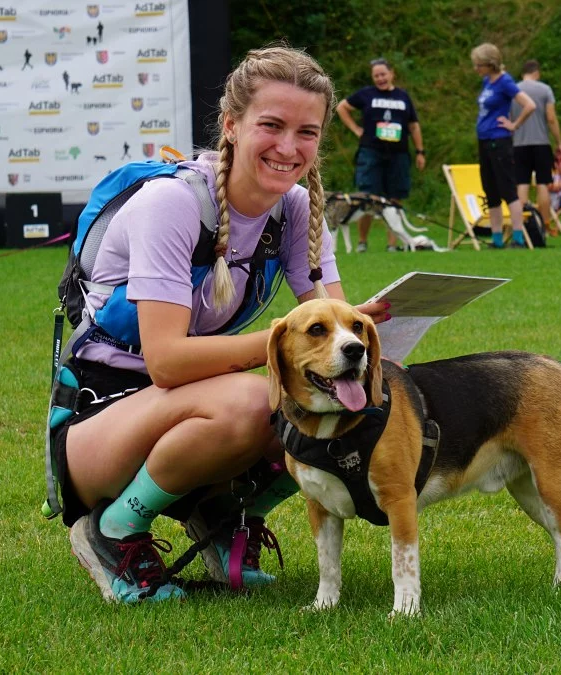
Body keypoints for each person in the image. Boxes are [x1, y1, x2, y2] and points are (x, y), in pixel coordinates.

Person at [56, 44, 389, 604]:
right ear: (231, 125)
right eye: (272, 126)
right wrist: (282, 342)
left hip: (187, 404)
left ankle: (224, 519)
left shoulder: (296, 209)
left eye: (306, 132)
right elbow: (166, 362)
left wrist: (370, 335)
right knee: (258, 401)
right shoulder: (172, 203)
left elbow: (335, 333)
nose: (289, 147)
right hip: (101, 418)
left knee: (348, 396)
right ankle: (113, 530)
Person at [335, 58, 425, 252]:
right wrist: (356, 129)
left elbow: (413, 126)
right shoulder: (366, 94)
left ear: (392, 74)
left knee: (395, 198)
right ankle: (362, 242)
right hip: (371, 152)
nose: (380, 78)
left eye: (383, 74)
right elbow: (341, 107)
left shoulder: (403, 97)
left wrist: (420, 151)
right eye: (376, 76)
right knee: (368, 198)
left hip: (398, 153)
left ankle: (392, 244)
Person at [470, 43, 536, 248]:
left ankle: (517, 237)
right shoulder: (487, 82)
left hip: (499, 141)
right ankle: (496, 238)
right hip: (484, 140)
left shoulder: (505, 82)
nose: (476, 68)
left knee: (507, 189)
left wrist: (514, 124)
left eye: (479, 65)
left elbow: (529, 105)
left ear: (490, 64)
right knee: (490, 191)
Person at [511, 60, 561, 236]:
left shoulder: (513, 90)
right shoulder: (545, 89)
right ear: (537, 73)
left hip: (519, 143)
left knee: (522, 183)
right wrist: (559, 142)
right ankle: (545, 225)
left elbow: (509, 118)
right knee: (543, 183)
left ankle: (523, 226)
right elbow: (551, 118)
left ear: (522, 74)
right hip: (541, 143)